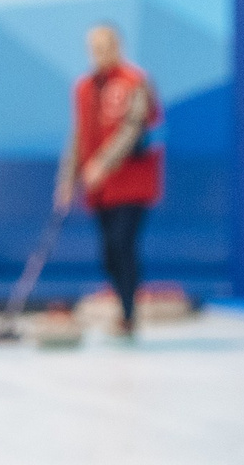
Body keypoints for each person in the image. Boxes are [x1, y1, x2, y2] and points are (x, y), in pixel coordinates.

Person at [55, 22, 163, 339]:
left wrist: (103, 163)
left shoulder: (135, 82)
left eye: (106, 46)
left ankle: (129, 314)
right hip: (99, 189)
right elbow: (78, 136)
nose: (100, 53)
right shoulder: (84, 87)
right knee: (108, 252)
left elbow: (133, 128)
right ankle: (121, 304)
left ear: (118, 46)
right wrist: (67, 180)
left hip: (132, 184)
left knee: (123, 244)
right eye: (94, 47)